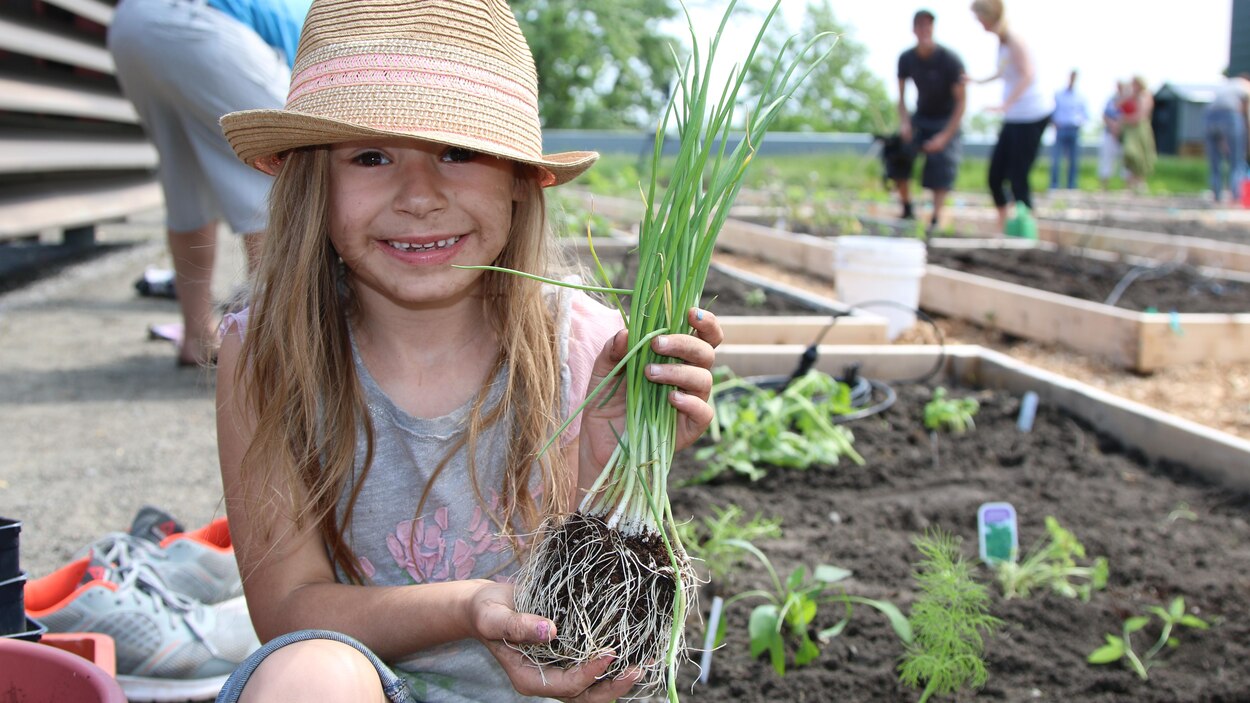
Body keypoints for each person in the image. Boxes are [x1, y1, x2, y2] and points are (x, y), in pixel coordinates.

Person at [211, 1, 724, 701]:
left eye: (459, 152)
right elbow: (287, 607)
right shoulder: (267, 353)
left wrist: (615, 456)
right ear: (312, 185)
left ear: (519, 180)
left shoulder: (583, 344)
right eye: (370, 155)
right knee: (309, 676)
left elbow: (595, 612)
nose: (419, 196)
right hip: (371, 686)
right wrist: (467, 606)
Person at [107, 0, 311, 367]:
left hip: (131, 23)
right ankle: (271, 342)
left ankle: (197, 336)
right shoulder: (321, 22)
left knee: (184, 178)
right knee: (279, 167)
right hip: (197, 22)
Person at [970, 0, 1053, 232]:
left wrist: (1006, 104)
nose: (979, 23)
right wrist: (977, 81)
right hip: (1014, 117)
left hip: (1031, 115)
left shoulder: (1015, 40)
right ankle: (1004, 224)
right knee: (995, 176)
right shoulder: (1002, 43)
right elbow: (1002, 72)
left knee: (1018, 174)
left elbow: (1027, 74)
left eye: (979, 18)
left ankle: (1027, 225)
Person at [892, 9, 967, 229]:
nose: (925, 31)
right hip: (921, 117)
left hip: (946, 120)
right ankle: (906, 209)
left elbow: (961, 103)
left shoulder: (950, 60)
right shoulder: (906, 58)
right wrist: (905, 123)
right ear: (914, 30)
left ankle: (935, 218)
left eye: (928, 26)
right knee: (897, 152)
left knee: (942, 163)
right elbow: (901, 97)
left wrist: (944, 137)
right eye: (920, 26)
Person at [1204, 73, 1250, 204]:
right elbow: (1245, 111)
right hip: (1230, 115)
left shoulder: (1228, 85)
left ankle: (1216, 195)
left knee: (1214, 161)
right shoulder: (1246, 86)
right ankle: (1236, 197)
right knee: (1237, 159)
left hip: (1209, 116)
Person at [1049, 70, 1088, 190]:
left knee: (1074, 160)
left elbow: (1085, 114)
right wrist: (1054, 123)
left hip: (1074, 129)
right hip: (1061, 128)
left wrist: (1080, 122)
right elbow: (1052, 110)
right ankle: (1054, 185)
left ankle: (1072, 185)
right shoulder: (1059, 94)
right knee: (1056, 159)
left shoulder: (1081, 96)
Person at [1119, 75, 1157, 191]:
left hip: (1140, 129)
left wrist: (1125, 119)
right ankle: (1130, 183)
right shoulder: (1131, 96)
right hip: (1130, 130)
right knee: (1129, 154)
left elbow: (1141, 115)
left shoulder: (1146, 95)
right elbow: (1118, 105)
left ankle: (1140, 182)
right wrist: (1128, 94)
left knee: (1140, 155)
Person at [1097, 81, 1128, 190]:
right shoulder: (1111, 100)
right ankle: (1104, 185)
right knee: (1106, 159)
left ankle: (1126, 186)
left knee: (1126, 161)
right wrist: (1113, 126)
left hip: (1124, 135)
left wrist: (1120, 126)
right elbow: (1105, 115)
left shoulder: (1128, 101)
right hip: (1110, 133)